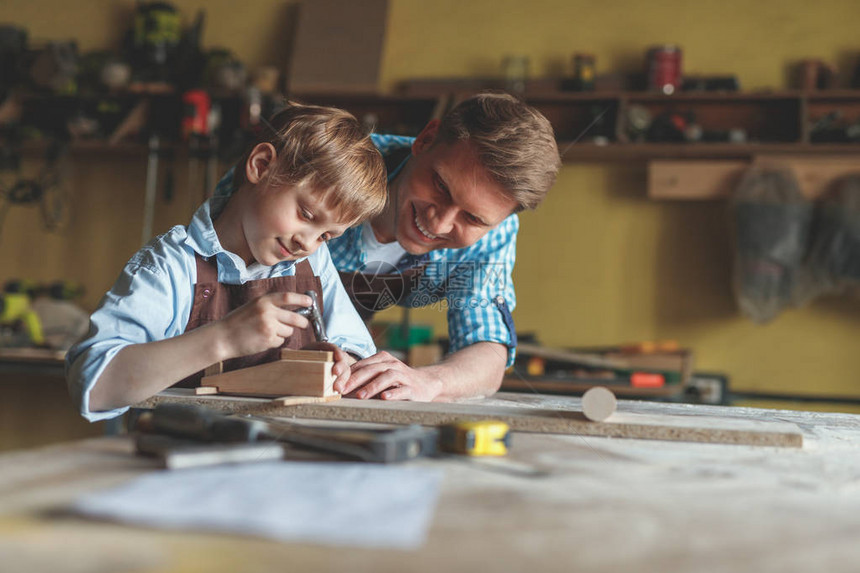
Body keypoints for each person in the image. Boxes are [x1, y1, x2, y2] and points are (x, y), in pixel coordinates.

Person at [66, 102, 388, 422]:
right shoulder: (170, 267)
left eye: (326, 236)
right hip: (182, 460)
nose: (307, 242)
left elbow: (358, 349)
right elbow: (94, 385)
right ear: (261, 166)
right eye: (305, 214)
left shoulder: (313, 263)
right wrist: (224, 339)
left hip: (282, 460)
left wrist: (343, 362)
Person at [330, 93, 560, 401]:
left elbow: (486, 346)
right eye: (441, 186)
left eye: (472, 217)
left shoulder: (493, 232)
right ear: (425, 140)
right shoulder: (330, 165)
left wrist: (430, 382)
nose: (438, 224)